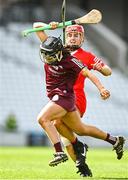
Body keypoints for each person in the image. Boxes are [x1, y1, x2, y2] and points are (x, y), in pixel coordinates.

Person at [33, 22, 125, 177]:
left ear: (82, 38)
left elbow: (107, 71)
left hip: (75, 98)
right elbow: (36, 26)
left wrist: (99, 67)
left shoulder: (86, 56)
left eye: (77, 35)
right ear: (65, 36)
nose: (73, 38)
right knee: (79, 130)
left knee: (57, 123)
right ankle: (110, 143)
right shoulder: (55, 49)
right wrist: (50, 26)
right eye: (70, 35)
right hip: (60, 96)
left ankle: (76, 149)